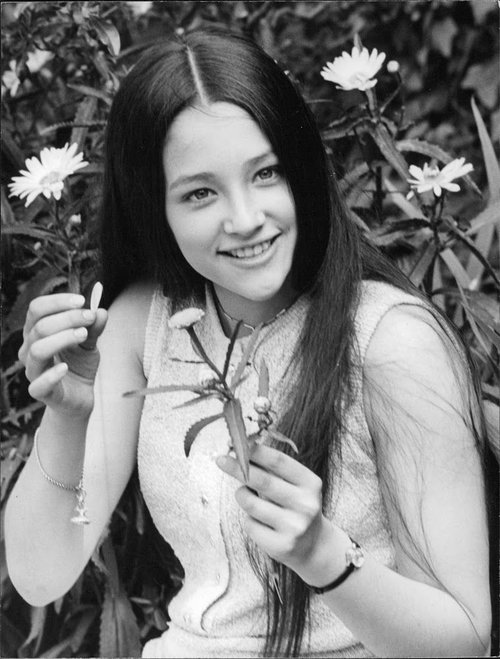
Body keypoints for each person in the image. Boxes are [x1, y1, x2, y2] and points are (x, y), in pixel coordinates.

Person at [5, 27, 492, 658]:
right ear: (157, 207)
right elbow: (41, 573)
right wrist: (67, 418)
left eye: (266, 173)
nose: (245, 218)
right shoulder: (143, 322)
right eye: (200, 192)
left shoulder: (391, 340)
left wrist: (325, 558)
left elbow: (464, 640)